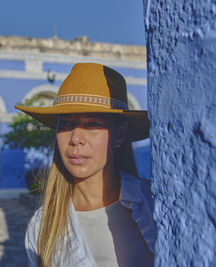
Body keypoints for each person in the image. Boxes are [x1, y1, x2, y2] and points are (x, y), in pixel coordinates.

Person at [16, 63, 156, 267]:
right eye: (66, 124)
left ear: (119, 135)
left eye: (93, 124)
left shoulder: (154, 205)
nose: (75, 139)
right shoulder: (42, 226)